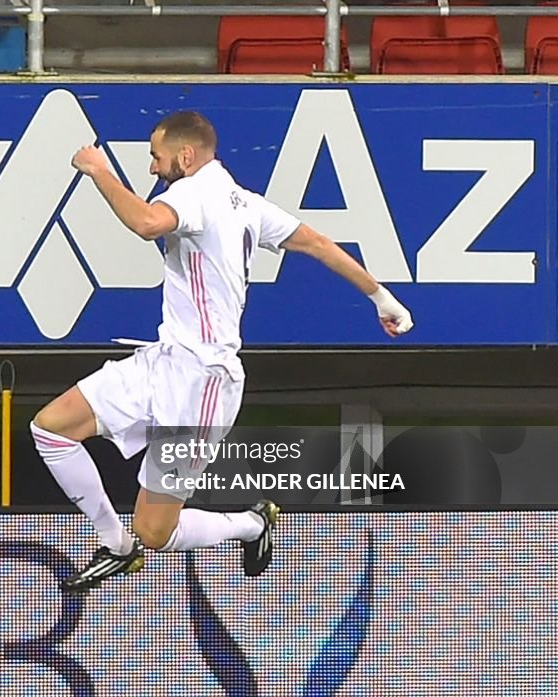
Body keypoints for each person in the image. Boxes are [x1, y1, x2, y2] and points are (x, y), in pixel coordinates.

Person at [30, 111, 413, 594]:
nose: (152, 167)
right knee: (51, 429)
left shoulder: (195, 194)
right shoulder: (243, 202)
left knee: (155, 530)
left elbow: (148, 223)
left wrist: (98, 170)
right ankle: (115, 544)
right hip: (164, 361)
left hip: (202, 386)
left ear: (185, 156)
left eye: (155, 155)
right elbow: (316, 243)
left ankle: (253, 523)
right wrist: (382, 296)